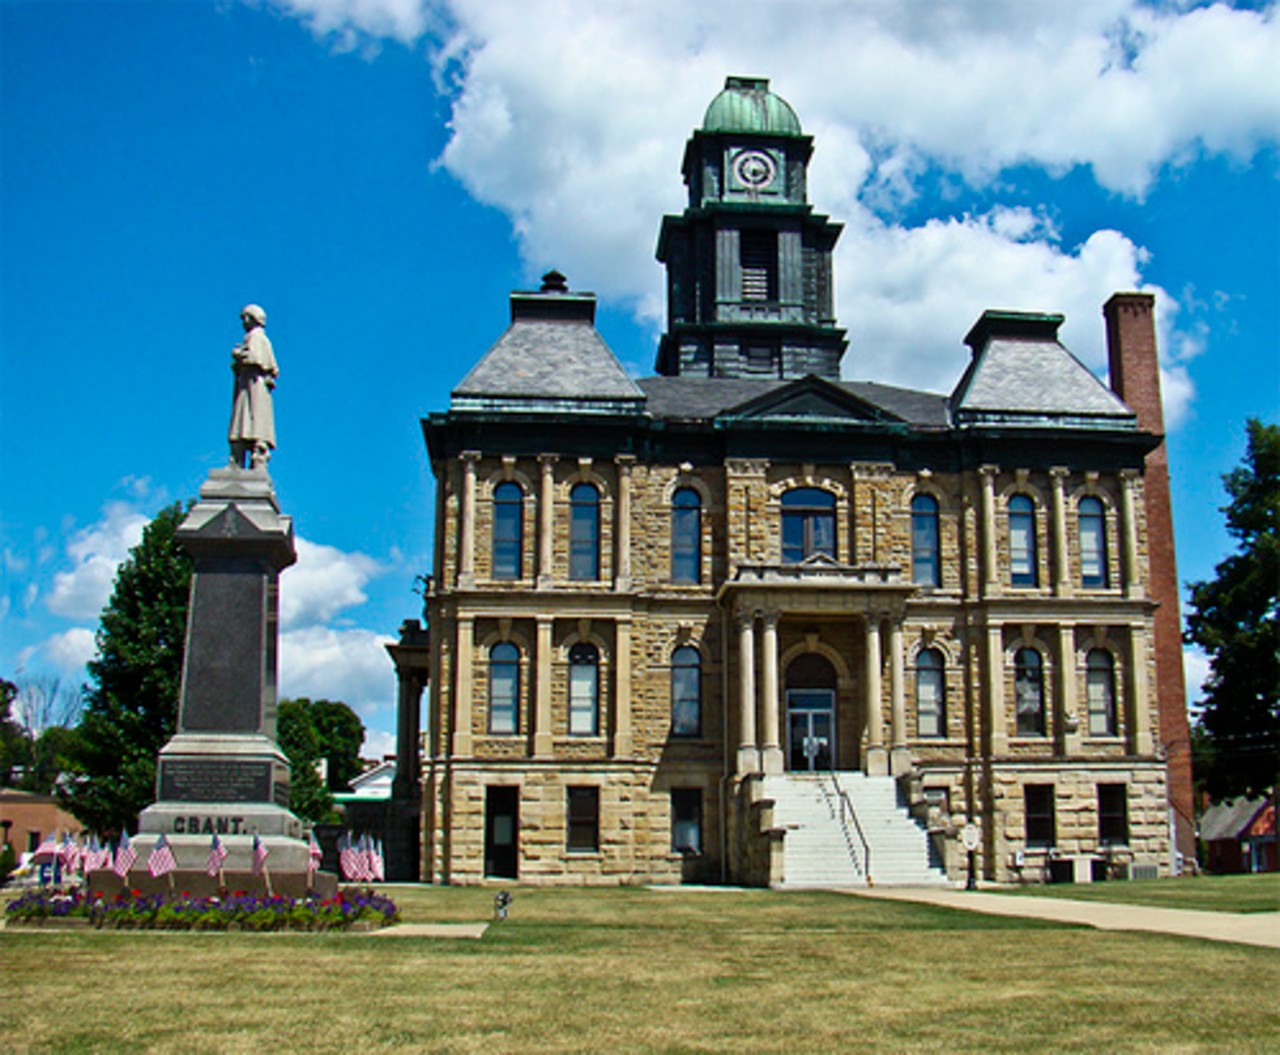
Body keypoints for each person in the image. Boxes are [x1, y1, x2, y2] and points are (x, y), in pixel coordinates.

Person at [228, 304, 277, 469]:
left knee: (249, 421)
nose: (244, 322)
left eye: (245, 318)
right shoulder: (257, 338)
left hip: (253, 388)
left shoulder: (256, 337)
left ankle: (248, 457)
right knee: (244, 422)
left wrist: (239, 355)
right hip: (248, 386)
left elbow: (257, 359)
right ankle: (243, 458)